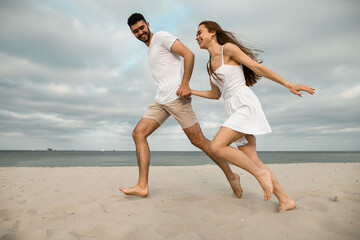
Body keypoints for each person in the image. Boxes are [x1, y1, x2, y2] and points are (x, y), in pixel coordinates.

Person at [191, 21, 315, 212]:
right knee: (253, 159)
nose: (197, 37)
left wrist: (287, 83)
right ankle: (285, 200)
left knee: (216, 146)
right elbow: (216, 94)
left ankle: (259, 175)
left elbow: (257, 68)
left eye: (200, 32)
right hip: (231, 108)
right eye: (196, 34)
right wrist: (190, 91)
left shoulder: (228, 49)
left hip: (244, 104)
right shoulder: (209, 64)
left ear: (213, 32)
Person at [119, 13, 243, 198]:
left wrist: (185, 84)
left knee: (198, 140)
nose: (140, 32)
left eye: (142, 28)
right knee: (138, 133)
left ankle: (232, 175)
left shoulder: (160, 37)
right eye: (136, 31)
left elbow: (188, 54)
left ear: (148, 24)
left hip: (176, 98)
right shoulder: (151, 48)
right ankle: (142, 185)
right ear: (133, 33)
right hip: (160, 100)